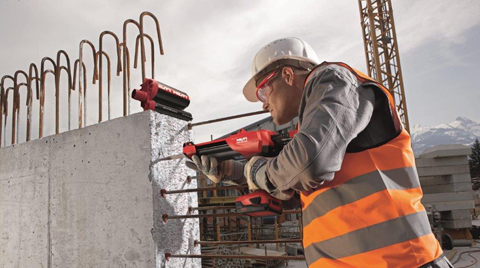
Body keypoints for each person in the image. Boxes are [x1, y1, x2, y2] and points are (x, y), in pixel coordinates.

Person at [190, 37, 451, 268]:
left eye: (263, 90)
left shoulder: (334, 80)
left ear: (288, 76)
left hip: (400, 261)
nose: (263, 104)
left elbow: (309, 163)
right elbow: (298, 191)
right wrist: (235, 172)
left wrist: (255, 170)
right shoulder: (316, 123)